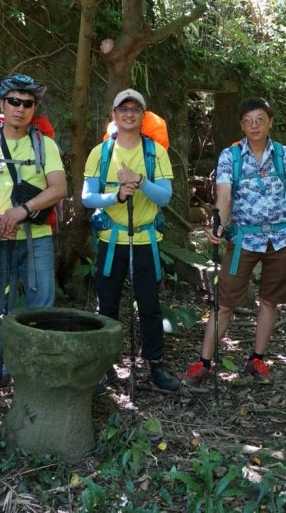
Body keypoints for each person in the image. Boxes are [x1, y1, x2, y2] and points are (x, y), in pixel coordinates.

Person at [182, 97, 286, 386]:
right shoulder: (231, 156)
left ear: (270, 122)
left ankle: (257, 359)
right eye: (248, 121)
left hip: (282, 240)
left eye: (260, 120)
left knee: (270, 301)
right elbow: (224, 195)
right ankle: (204, 362)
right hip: (243, 238)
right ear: (241, 125)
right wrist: (218, 224)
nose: (254, 126)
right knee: (225, 303)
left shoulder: (285, 155)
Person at [0, 74, 66, 392]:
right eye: (13, 101)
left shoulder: (44, 144)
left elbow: (59, 188)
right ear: (1, 103)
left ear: (34, 108)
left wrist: (22, 210)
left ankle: (37, 372)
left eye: (27, 103)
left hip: (37, 238)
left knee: (42, 306)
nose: (20, 108)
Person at [82, 89, 180, 392]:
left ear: (143, 115)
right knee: (107, 306)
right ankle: (103, 366)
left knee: (149, 306)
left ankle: (155, 366)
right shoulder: (101, 153)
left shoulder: (155, 152)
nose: (128, 113)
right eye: (122, 108)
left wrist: (141, 182)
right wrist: (116, 195)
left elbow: (165, 196)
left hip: (146, 241)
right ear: (114, 115)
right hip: (112, 241)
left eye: (135, 108)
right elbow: (87, 197)